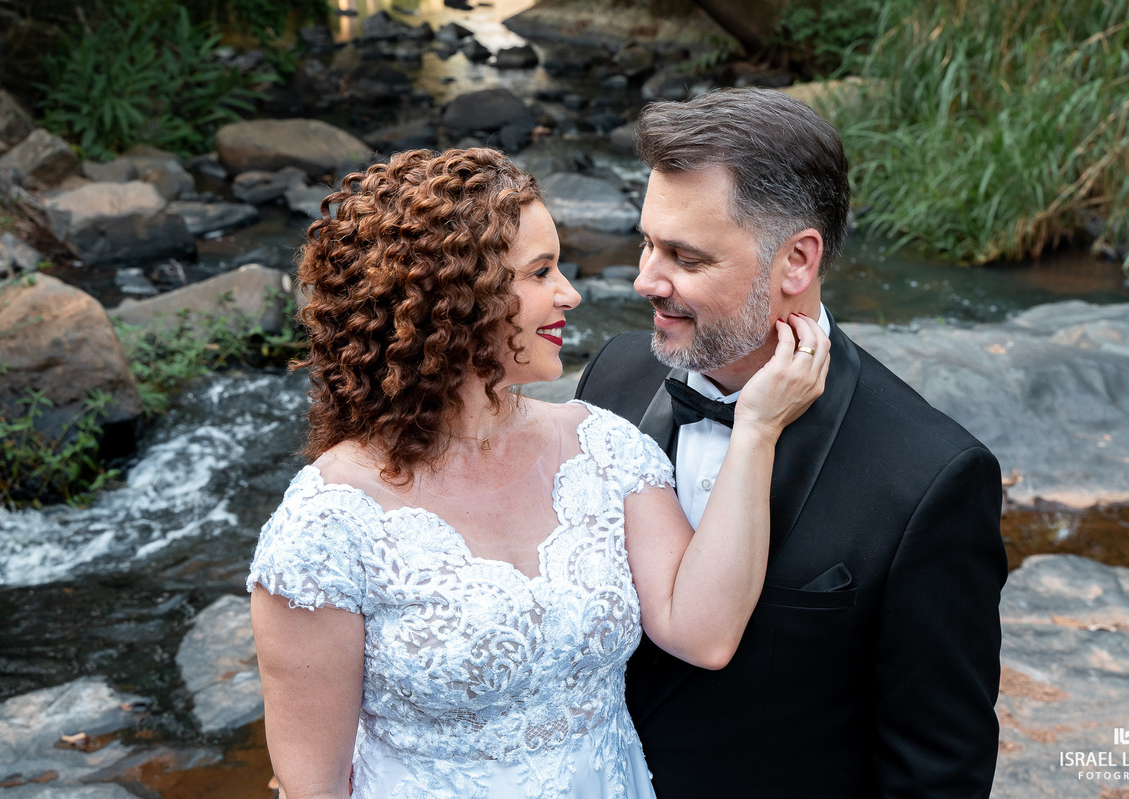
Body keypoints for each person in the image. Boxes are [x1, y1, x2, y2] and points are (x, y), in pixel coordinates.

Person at [247, 147, 830, 799]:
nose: (570, 294)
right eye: (541, 271)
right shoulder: (324, 526)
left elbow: (705, 633)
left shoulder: (603, 449)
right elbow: (313, 788)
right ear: (451, 299)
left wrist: (757, 429)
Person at [575, 88, 1009, 798]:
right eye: (648, 241)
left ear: (797, 262)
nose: (644, 279)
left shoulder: (929, 476)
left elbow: (938, 773)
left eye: (684, 255)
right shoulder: (613, 378)